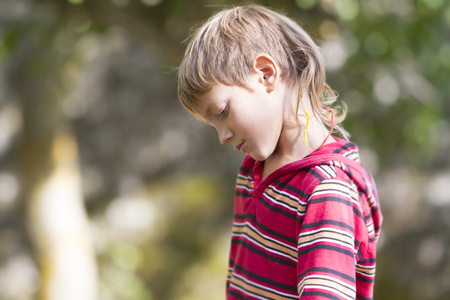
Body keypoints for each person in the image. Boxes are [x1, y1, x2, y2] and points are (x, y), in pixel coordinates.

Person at [177, 5, 382, 300]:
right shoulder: (254, 170)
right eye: (213, 125)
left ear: (266, 74)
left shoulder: (326, 191)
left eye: (222, 112)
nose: (222, 137)